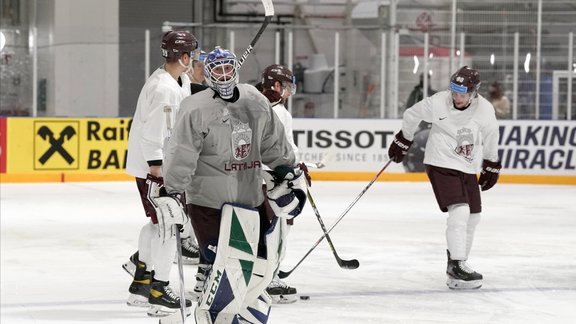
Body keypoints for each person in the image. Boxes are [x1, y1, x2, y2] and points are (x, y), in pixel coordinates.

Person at [160, 47, 307, 324]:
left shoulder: (254, 99)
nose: (225, 75)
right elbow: (182, 153)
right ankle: (213, 316)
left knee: (258, 269)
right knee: (224, 269)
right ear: (210, 75)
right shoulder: (195, 107)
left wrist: (284, 168)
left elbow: (272, 141)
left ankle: (243, 314)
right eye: (219, 70)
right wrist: (172, 189)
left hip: (250, 200)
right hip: (209, 203)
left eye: (229, 68)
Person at [388, 66, 501, 290]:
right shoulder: (439, 101)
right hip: (440, 163)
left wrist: (491, 163)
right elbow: (412, 114)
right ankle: (457, 265)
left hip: (467, 166)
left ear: (474, 91)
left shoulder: (484, 110)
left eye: (462, 93)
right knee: (460, 211)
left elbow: (491, 135)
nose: (457, 97)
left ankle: (458, 265)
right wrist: (404, 138)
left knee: (474, 216)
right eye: (454, 91)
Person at [124, 30, 200, 317]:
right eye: (191, 55)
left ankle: (141, 283)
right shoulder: (163, 88)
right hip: (156, 170)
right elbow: (152, 135)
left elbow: (184, 103)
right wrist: (159, 176)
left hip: (157, 168)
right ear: (182, 57)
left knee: (158, 225)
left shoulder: (174, 80)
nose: (193, 60)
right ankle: (159, 289)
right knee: (171, 229)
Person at [258, 64, 300, 304]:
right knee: (279, 229)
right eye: (285, 86)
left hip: (255, 178)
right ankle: (269, 279)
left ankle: (260, 276)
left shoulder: (253, 104)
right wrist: (298, 168)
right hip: (277, 179)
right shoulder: (280, 112)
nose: (288, 91)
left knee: (261, 228)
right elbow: (286, 150)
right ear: (275, 86)